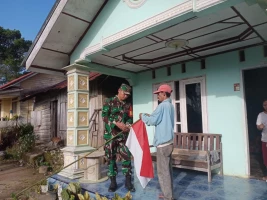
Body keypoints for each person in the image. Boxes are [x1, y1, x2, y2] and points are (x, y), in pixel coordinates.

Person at [139, 84, 175, 200]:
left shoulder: (162, 106)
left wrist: (142, 116)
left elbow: (153, 121)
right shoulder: (170, 106)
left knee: (163, 172)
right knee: (168, 171)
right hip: (169, 142)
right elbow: (159, 118)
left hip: (163, 144)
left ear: (164, 94)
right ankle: (168, 194)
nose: (157, 96)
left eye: (159, 94)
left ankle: (168, 197)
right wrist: (151, 116)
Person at [102, 83, 135, 192]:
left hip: (123, 136)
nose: (125, 96)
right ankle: (113, 182)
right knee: (111, 158)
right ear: (119, 91)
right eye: (124, 94)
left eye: (127, 95)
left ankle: (128, 181)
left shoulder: (128, 105)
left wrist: (128, 126)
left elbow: (130, 118)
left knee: (127, 157)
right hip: (111, 135)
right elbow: (104, 117)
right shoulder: (109, 101)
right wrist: (116, 123)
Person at [256, 99, 267, 180]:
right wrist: (260, 127)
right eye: (264, 105)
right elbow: (258, 126)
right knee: (266, 159)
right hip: (265, 139)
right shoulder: (261, 115)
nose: (266, 106)